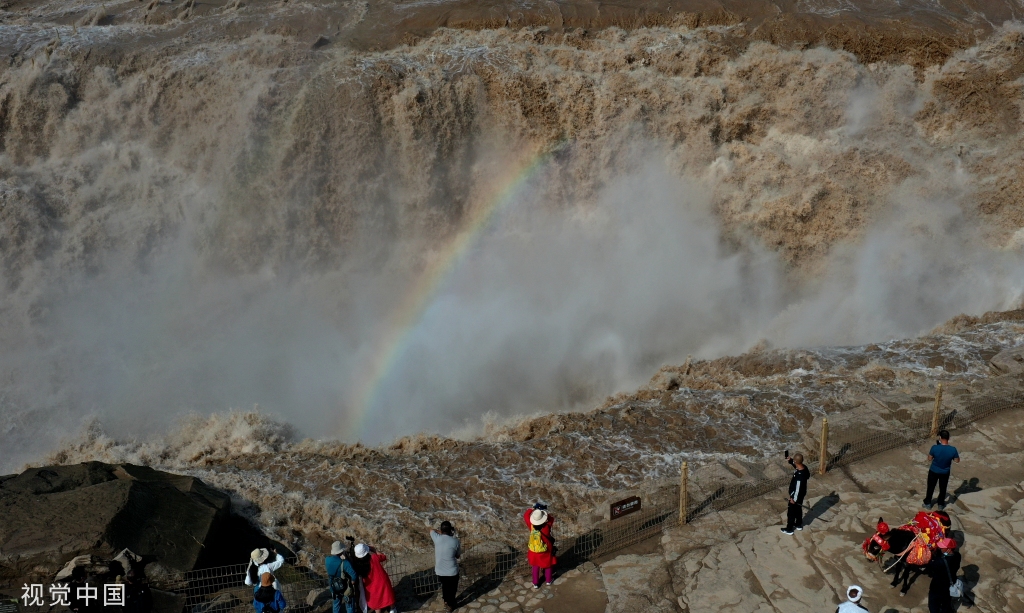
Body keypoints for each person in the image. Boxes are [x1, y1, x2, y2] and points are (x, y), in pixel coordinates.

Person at [353, 543, 395, 613]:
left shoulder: (358, 565)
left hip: (370, 586)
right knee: (388, 595)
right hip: (382, 582)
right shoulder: (374, 557)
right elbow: (383, 556)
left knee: (376, 602)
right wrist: (374, 550)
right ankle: (392, 609)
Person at [924, 430, 960, 510]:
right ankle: (940, 504)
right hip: (945, 472)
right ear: (948, 438)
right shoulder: (953, 449)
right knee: (943, 488)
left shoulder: (934, 448)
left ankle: (928, 503)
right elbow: (957, 460)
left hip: (934, 470)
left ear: (940, 438)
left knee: (931, 487)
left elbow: (929, 459)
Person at [523, 503, 556, 588]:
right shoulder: (547, 526)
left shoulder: (531, 526)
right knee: (548, 565)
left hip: (534, 550)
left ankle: (535, 583)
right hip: (546, 549)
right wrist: (543, 511)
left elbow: (526, 515)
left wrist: (533, 508)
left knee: (535, 566)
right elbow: (551, 518)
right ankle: (548, 580)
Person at [430, 521, 461, 612]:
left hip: (440, 571)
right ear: (450, 530)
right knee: (452, 588)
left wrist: (440, 532)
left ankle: (446, 601)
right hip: (452, 572)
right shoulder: (455, 541)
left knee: (445, 586)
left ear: (441, 530)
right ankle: (450, 605)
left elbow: (431, 530)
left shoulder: (436, 538)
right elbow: (458, 556)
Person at [926, 538, 961, 613]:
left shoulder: (939, 561)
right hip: (950, 585)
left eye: (942, 547)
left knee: (933, 605)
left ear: (948, 549)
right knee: (946, 603)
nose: (940, 548)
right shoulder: (958, 556)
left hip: (937, 587)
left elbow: (929, 568)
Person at [325, 541, 359, 613]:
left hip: (334, 586)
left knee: (336, 605)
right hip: (345, 587)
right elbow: (354, 575)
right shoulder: (345, 563)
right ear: (341, 551)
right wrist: (353, 581)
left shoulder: (327, 560)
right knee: (349, 606)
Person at [781, 452, 809, 535]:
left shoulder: (799, 476)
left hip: (796, 495)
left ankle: (789, 529)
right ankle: (798, 524)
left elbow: (797, 488)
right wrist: (790, 460)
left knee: (791, 512)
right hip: (802, 493)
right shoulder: (805, 469)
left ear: (796, 462)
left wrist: (793, 499)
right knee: (798, 508)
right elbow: (797, 465)